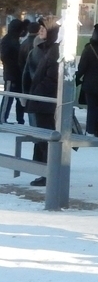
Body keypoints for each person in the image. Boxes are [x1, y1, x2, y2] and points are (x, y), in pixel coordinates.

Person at [23, 22, 60, 186]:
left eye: (43, 29)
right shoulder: (45, 48)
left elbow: (52, 77)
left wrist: (38, 90)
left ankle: (46, 173)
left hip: (45, 101)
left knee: (46, 138)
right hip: (41, 100)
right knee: (41, 137)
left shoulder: (54, 50)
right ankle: (41, 171)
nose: (39, 31)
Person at [1, 18, 23, 123]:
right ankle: (2, 118)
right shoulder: (8, 40)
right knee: (8, 98)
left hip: (16, 73)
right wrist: (13, 65)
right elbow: (4, 56)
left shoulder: (14, 39)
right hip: (11, 74)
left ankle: (19, 119)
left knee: (17, 97)